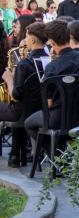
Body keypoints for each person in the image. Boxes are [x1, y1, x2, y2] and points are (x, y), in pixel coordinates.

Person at [25, 20, 79, 143]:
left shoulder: (51, 67)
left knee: (29, 123)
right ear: (69, 37)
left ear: (51, 42)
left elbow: (49, 104)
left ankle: (56, 154)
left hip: (58, 117)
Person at [0, 22, 47, 167]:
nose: (25, 40)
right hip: (43, 108)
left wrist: (9, 80)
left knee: (16, 108)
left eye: (26, 37)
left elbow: (16, 96)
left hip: (23, 111)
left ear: (32, 40)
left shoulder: (24, 64)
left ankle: (15, 154)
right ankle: (16, 154)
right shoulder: (49, 60)